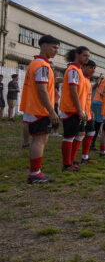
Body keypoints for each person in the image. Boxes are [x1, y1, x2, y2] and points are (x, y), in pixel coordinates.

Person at [20, 34, 60, 183]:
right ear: (44, 46)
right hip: (39, 109)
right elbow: (42, 90)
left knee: (40, 139)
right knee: (39, 140)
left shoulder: (34, 63)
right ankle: (35, 173)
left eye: (57, 48)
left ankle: (36, 171)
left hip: (33, 108)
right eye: (54, 47)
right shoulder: (43, 66)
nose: (56, 51)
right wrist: (51, 110)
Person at [59, 46, 90, 172]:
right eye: (85, 55)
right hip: (71, 109)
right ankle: (66, 165)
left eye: (88, 56)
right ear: (77, 55)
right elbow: (73, 92)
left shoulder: (78, 70)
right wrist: (79, 110)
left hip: (75, 109)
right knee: (69, 137)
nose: (87, 58)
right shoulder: (73, 70)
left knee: (74, 135)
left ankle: (70, 161)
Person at [79, 60, 98, 164]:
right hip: (81, 112)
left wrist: (89, 109)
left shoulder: (87, 80)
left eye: (94, 68)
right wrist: (81, 110)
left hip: (87, 111)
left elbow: (87, 98)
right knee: (78, 135)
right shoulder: (81, 78)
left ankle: (85, 157)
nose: (93, 70)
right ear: (84, 67)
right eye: (90, 67)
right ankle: (70, 161)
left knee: (91, 132)